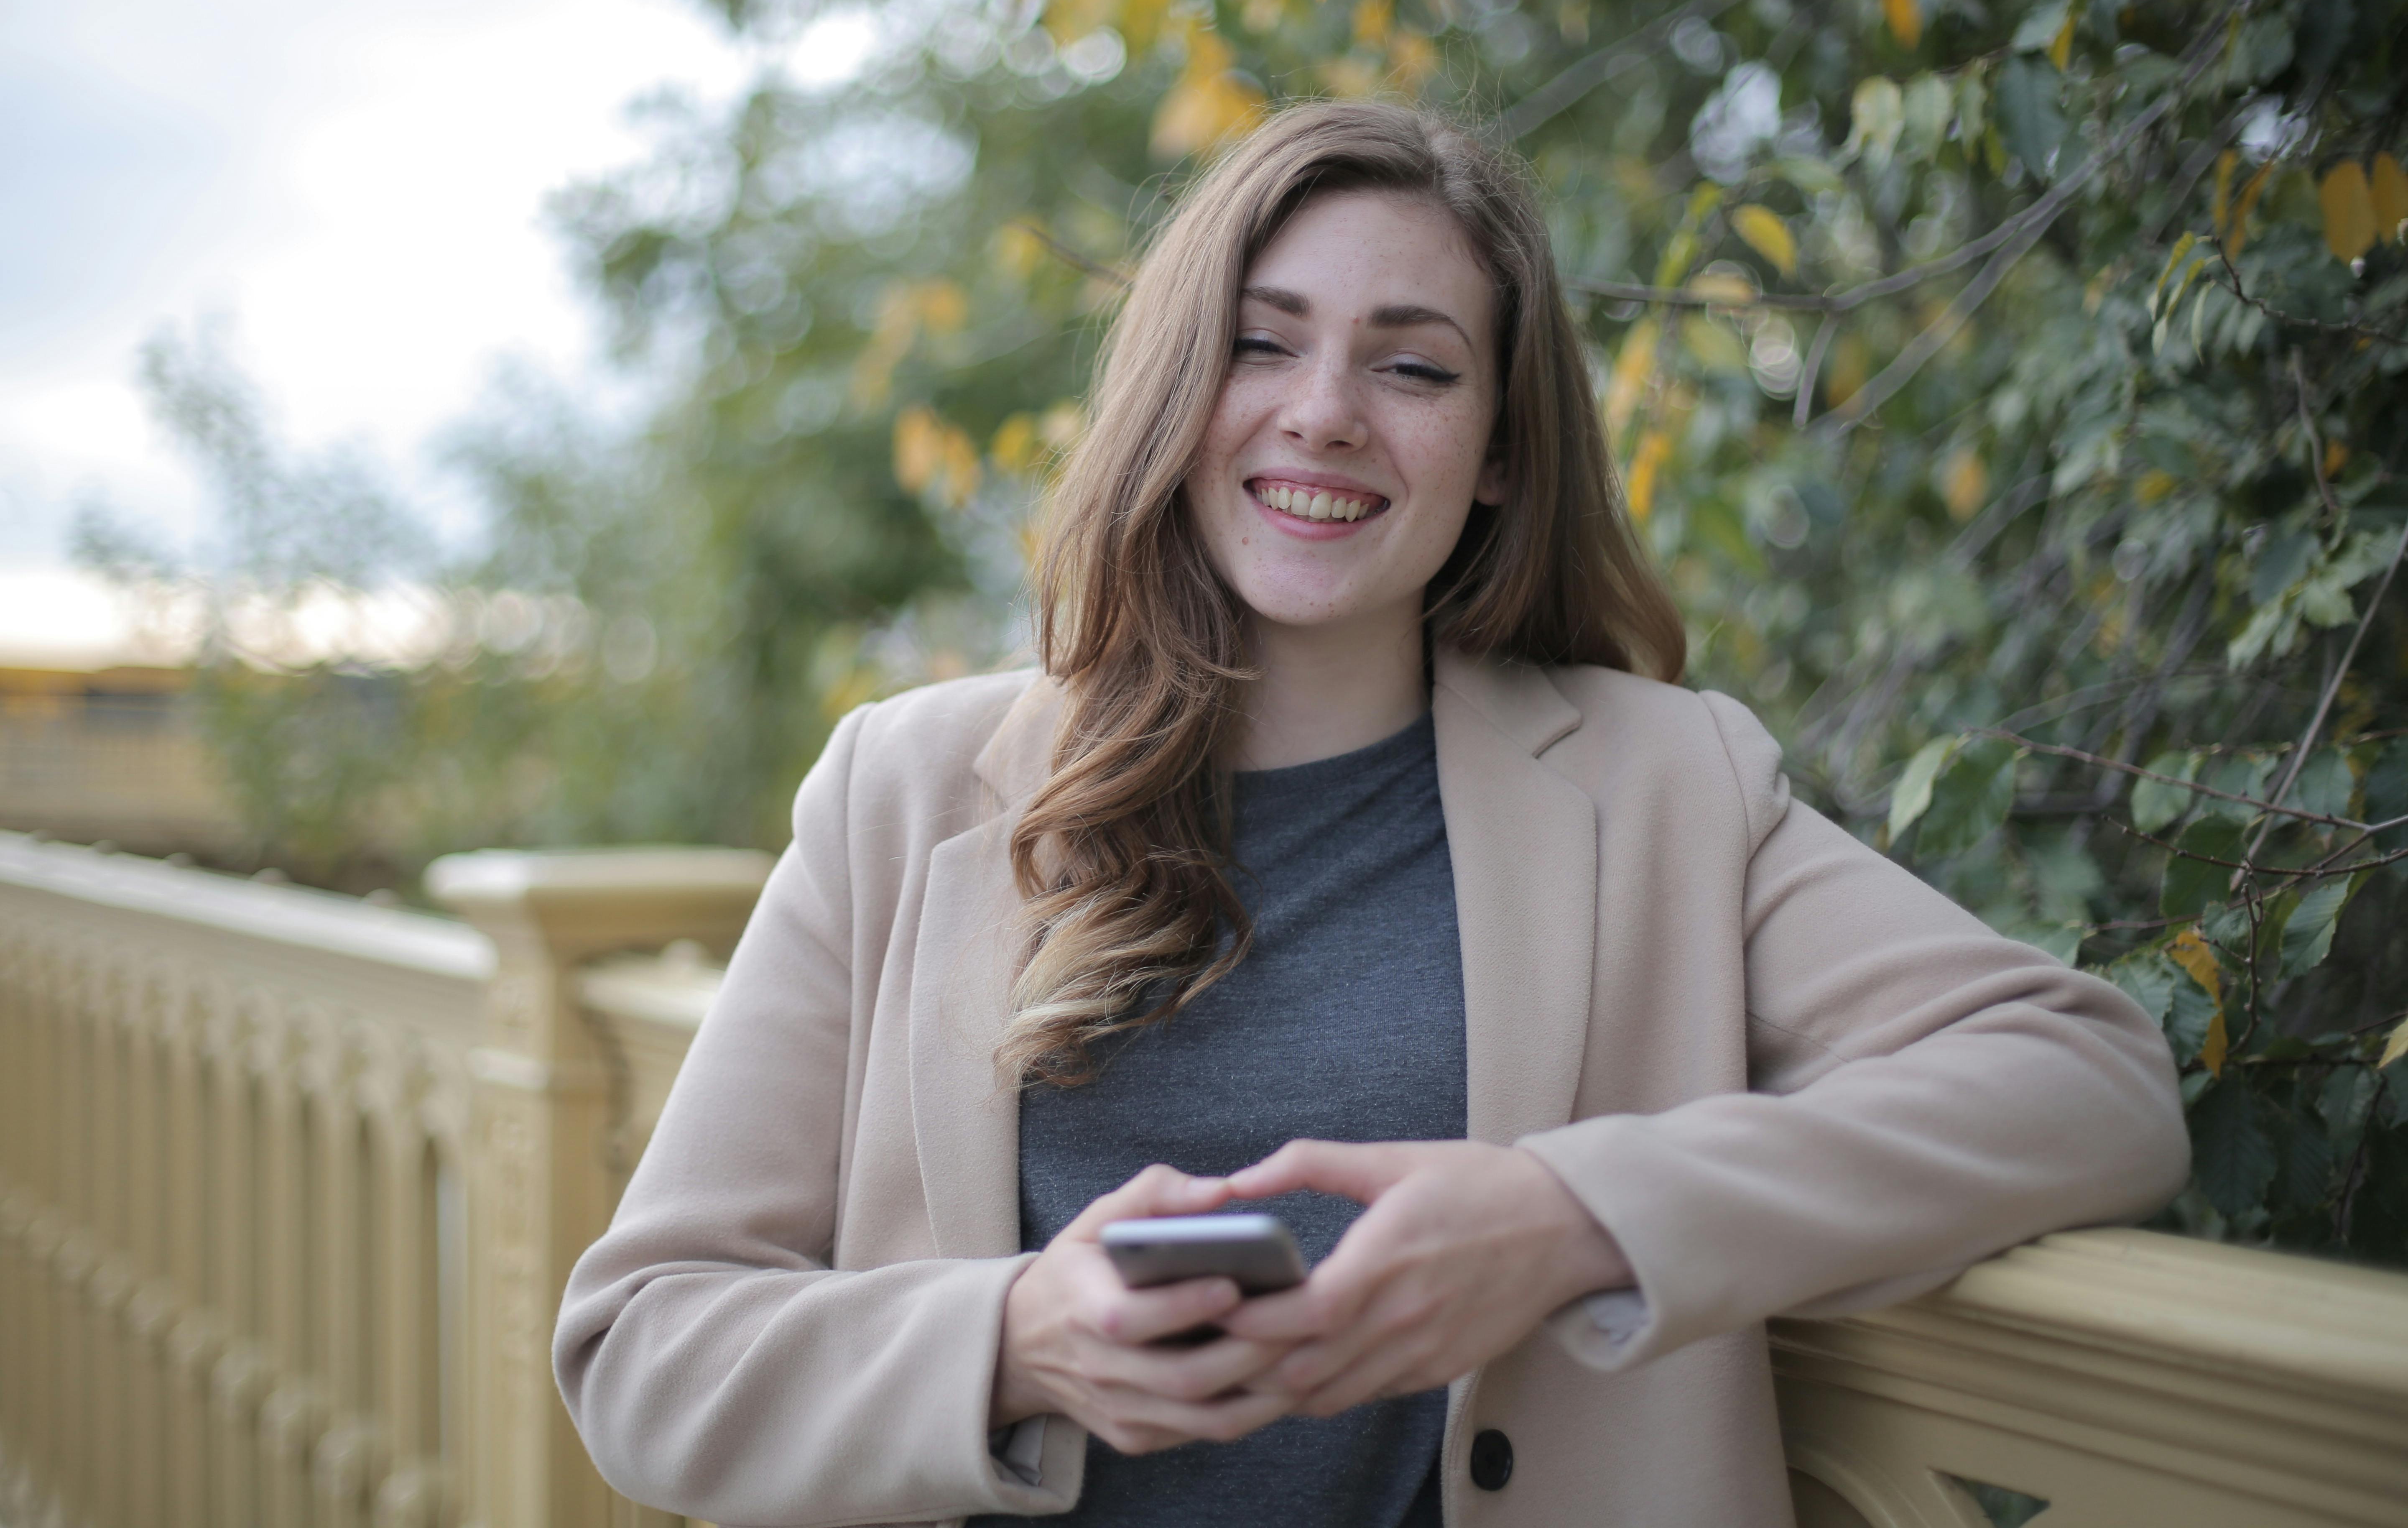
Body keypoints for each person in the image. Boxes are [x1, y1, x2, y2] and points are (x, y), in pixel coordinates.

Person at [553, 101, 2189, 1528]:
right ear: (1177, 388)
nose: (1326, 410)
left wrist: (1572, 1220)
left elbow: (2089, 1081)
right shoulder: (901, 791)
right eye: (1262, 344)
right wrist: (1016, 1342)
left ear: (1499, 452)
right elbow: (643, 1351)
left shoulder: (1666, 787)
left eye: (1412, 366)